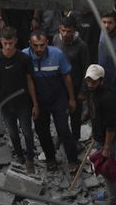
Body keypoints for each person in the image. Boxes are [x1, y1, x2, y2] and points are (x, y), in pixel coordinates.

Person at [23, 30, 80, 174]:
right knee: (42, 131)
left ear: (47, 43)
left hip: (58, 99)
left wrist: (72, 98)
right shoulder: (23, 56)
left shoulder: (57, 54)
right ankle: (50, 159)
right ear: (30, 44)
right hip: (38, 102)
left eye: (42, 45)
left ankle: (73, 159)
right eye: (35, 46)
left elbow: (67, 77)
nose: (39, 49)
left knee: (63, 130)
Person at [0, 27, 40, 174]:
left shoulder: (24, 59)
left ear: (16, 42)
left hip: (23, 103)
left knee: (27, 132)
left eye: (10, 43)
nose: (8, 46)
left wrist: (35, 104)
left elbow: (30, 81)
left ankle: (30, 158)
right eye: (5, 43)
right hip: (5, 104)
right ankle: (19, 155)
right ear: (0, 42)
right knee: (12, 133)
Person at [84, 64, 116, 205]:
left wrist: (107, 147)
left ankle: (114, 203)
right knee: (103, 169)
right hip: (100, 138)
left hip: (108, 141)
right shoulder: (94, 93)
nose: (90, 84)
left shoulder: (107, 98)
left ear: (101, 80)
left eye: (94, 81)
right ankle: (109, 194)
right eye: (88, 80)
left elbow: (111, 125)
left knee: (108, 170)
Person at [52, 16, 89, 143]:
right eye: (63, 30)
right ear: (59, 29)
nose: (65, 34)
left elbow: (86, 69)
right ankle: (61, 135)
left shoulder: (81, 46)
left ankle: (75, 138)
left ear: (74, 31)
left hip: (76, 86)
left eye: (69, 31)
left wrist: (83, 91)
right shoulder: (56, 40)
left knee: (75, 116)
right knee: (60, 114)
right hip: (60, 87)